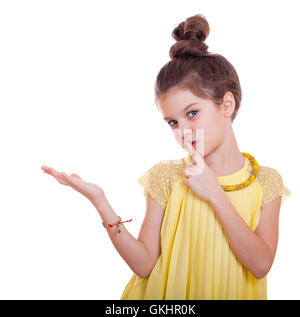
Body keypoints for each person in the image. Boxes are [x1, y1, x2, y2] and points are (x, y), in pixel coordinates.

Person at [41, 13, 291, 300]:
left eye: (192, 113)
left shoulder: (265, 181)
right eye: (172, 122)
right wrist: (101, 202)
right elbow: (145, 264)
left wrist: (215, 194)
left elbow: (260, 265)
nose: (182, 131)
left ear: (227, 104)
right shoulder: (166, 176)